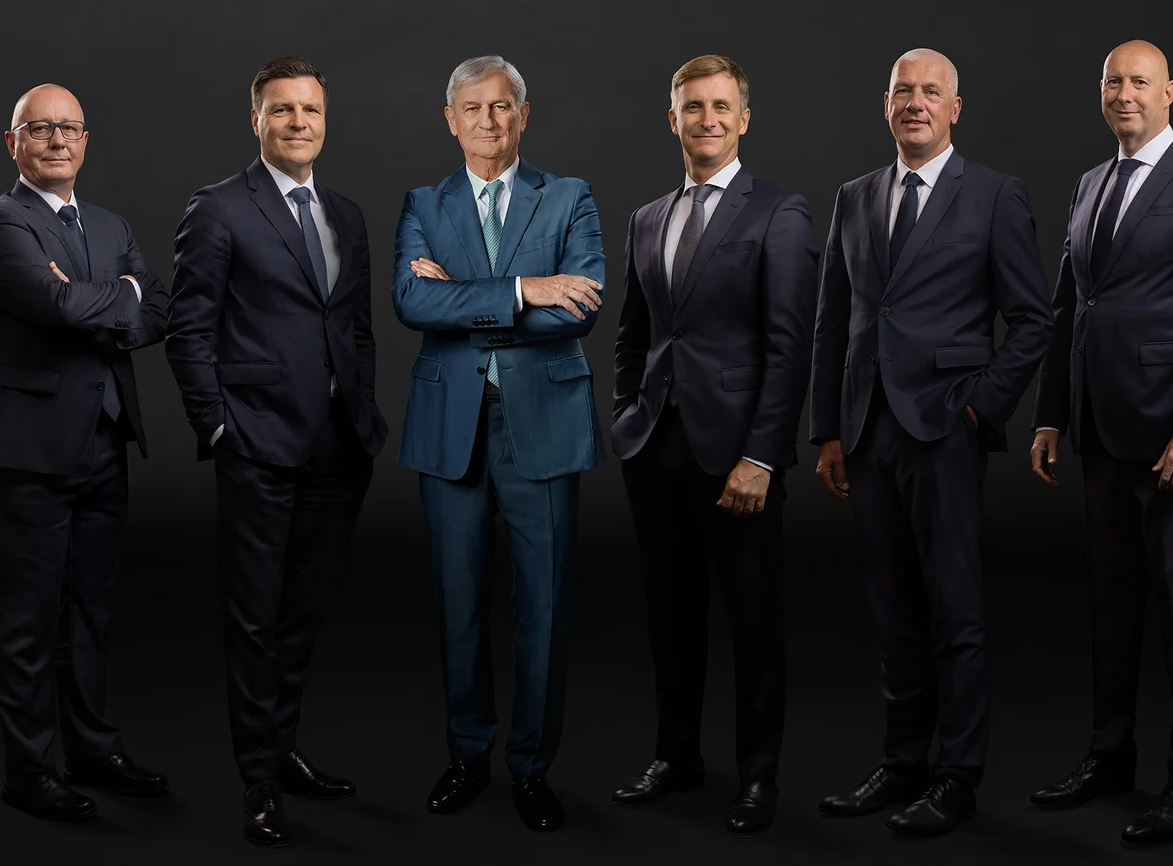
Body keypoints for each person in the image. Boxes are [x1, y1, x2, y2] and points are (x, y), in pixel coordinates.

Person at [810, 48, 1052, 836]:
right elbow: (834, 322)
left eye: (931, 92)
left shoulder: (993, 194)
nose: (916, 102)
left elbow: (1033, 319)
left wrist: (980, 409)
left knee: (954, 606)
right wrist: (828, 429)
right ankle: (903, 760)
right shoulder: (855, 196)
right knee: (892, 608)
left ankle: (957, 774)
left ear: (955, 108)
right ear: (886, 105)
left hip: (945, 426)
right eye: (903, 91)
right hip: (867, 428)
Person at [1027, 39, 1173, 847]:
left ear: (1169, 92)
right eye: (1113, 81)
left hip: (1169, 437)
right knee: (1112, 604)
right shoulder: (1093, 181)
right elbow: (1068, 306)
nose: (1125, 93)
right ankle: (1110, 756)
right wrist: (1052, 414)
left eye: (1140, 82)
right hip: (1099, 430)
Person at [165, 56, 387, 847]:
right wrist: (216, 425)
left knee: (302, 612)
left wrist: (362, 412)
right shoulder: (220, 207)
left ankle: (282, 748)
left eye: (311, 110)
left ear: (326, 120)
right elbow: (188, 328)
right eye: (283, 109)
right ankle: (257, 780)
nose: (299, 122)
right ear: (256, 119)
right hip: (256, 442)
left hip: (337, 448)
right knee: (255, 618)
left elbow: (355, 326)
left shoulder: (346, 214)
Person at [392, 54, 606, 833]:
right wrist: (522, 290)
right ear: (451, 120)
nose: (489, 120)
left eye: (502, 106)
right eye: (473, 108)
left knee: (542, 606)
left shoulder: (569, 196)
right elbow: (410, 301)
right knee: (459, 604)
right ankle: (467, 755)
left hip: (540, 426)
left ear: (523, 114)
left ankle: (531, 766)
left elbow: (580, 306)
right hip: (450, 427)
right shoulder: (424, 203)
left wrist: (462, 298)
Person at [608, 54, 817, 835]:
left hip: (738, 456)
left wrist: (762, 456)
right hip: (655, 449)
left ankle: (758, 773)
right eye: (693, 106)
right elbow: (633, 334)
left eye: (721, 106)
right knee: (671, 616)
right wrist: (627, 413)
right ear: (674, 119)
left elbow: (788, 347)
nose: (707, 119)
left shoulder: (780, 212)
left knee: (753, 620)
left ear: (744, 119)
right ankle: (677, 755)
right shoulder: (647, 217)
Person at [0, 83, 171, 821]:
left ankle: (92, 750)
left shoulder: (110, 224)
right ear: (12, 141)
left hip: (105, 439)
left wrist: (102, 296)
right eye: (40, 128)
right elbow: (52, 307)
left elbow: (161, 310)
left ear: (85, 140)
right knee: (30, 619)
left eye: (70, 128)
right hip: (24, 448)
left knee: (89, 611)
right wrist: (120, 293)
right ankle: (28, 771)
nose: (57, 140)